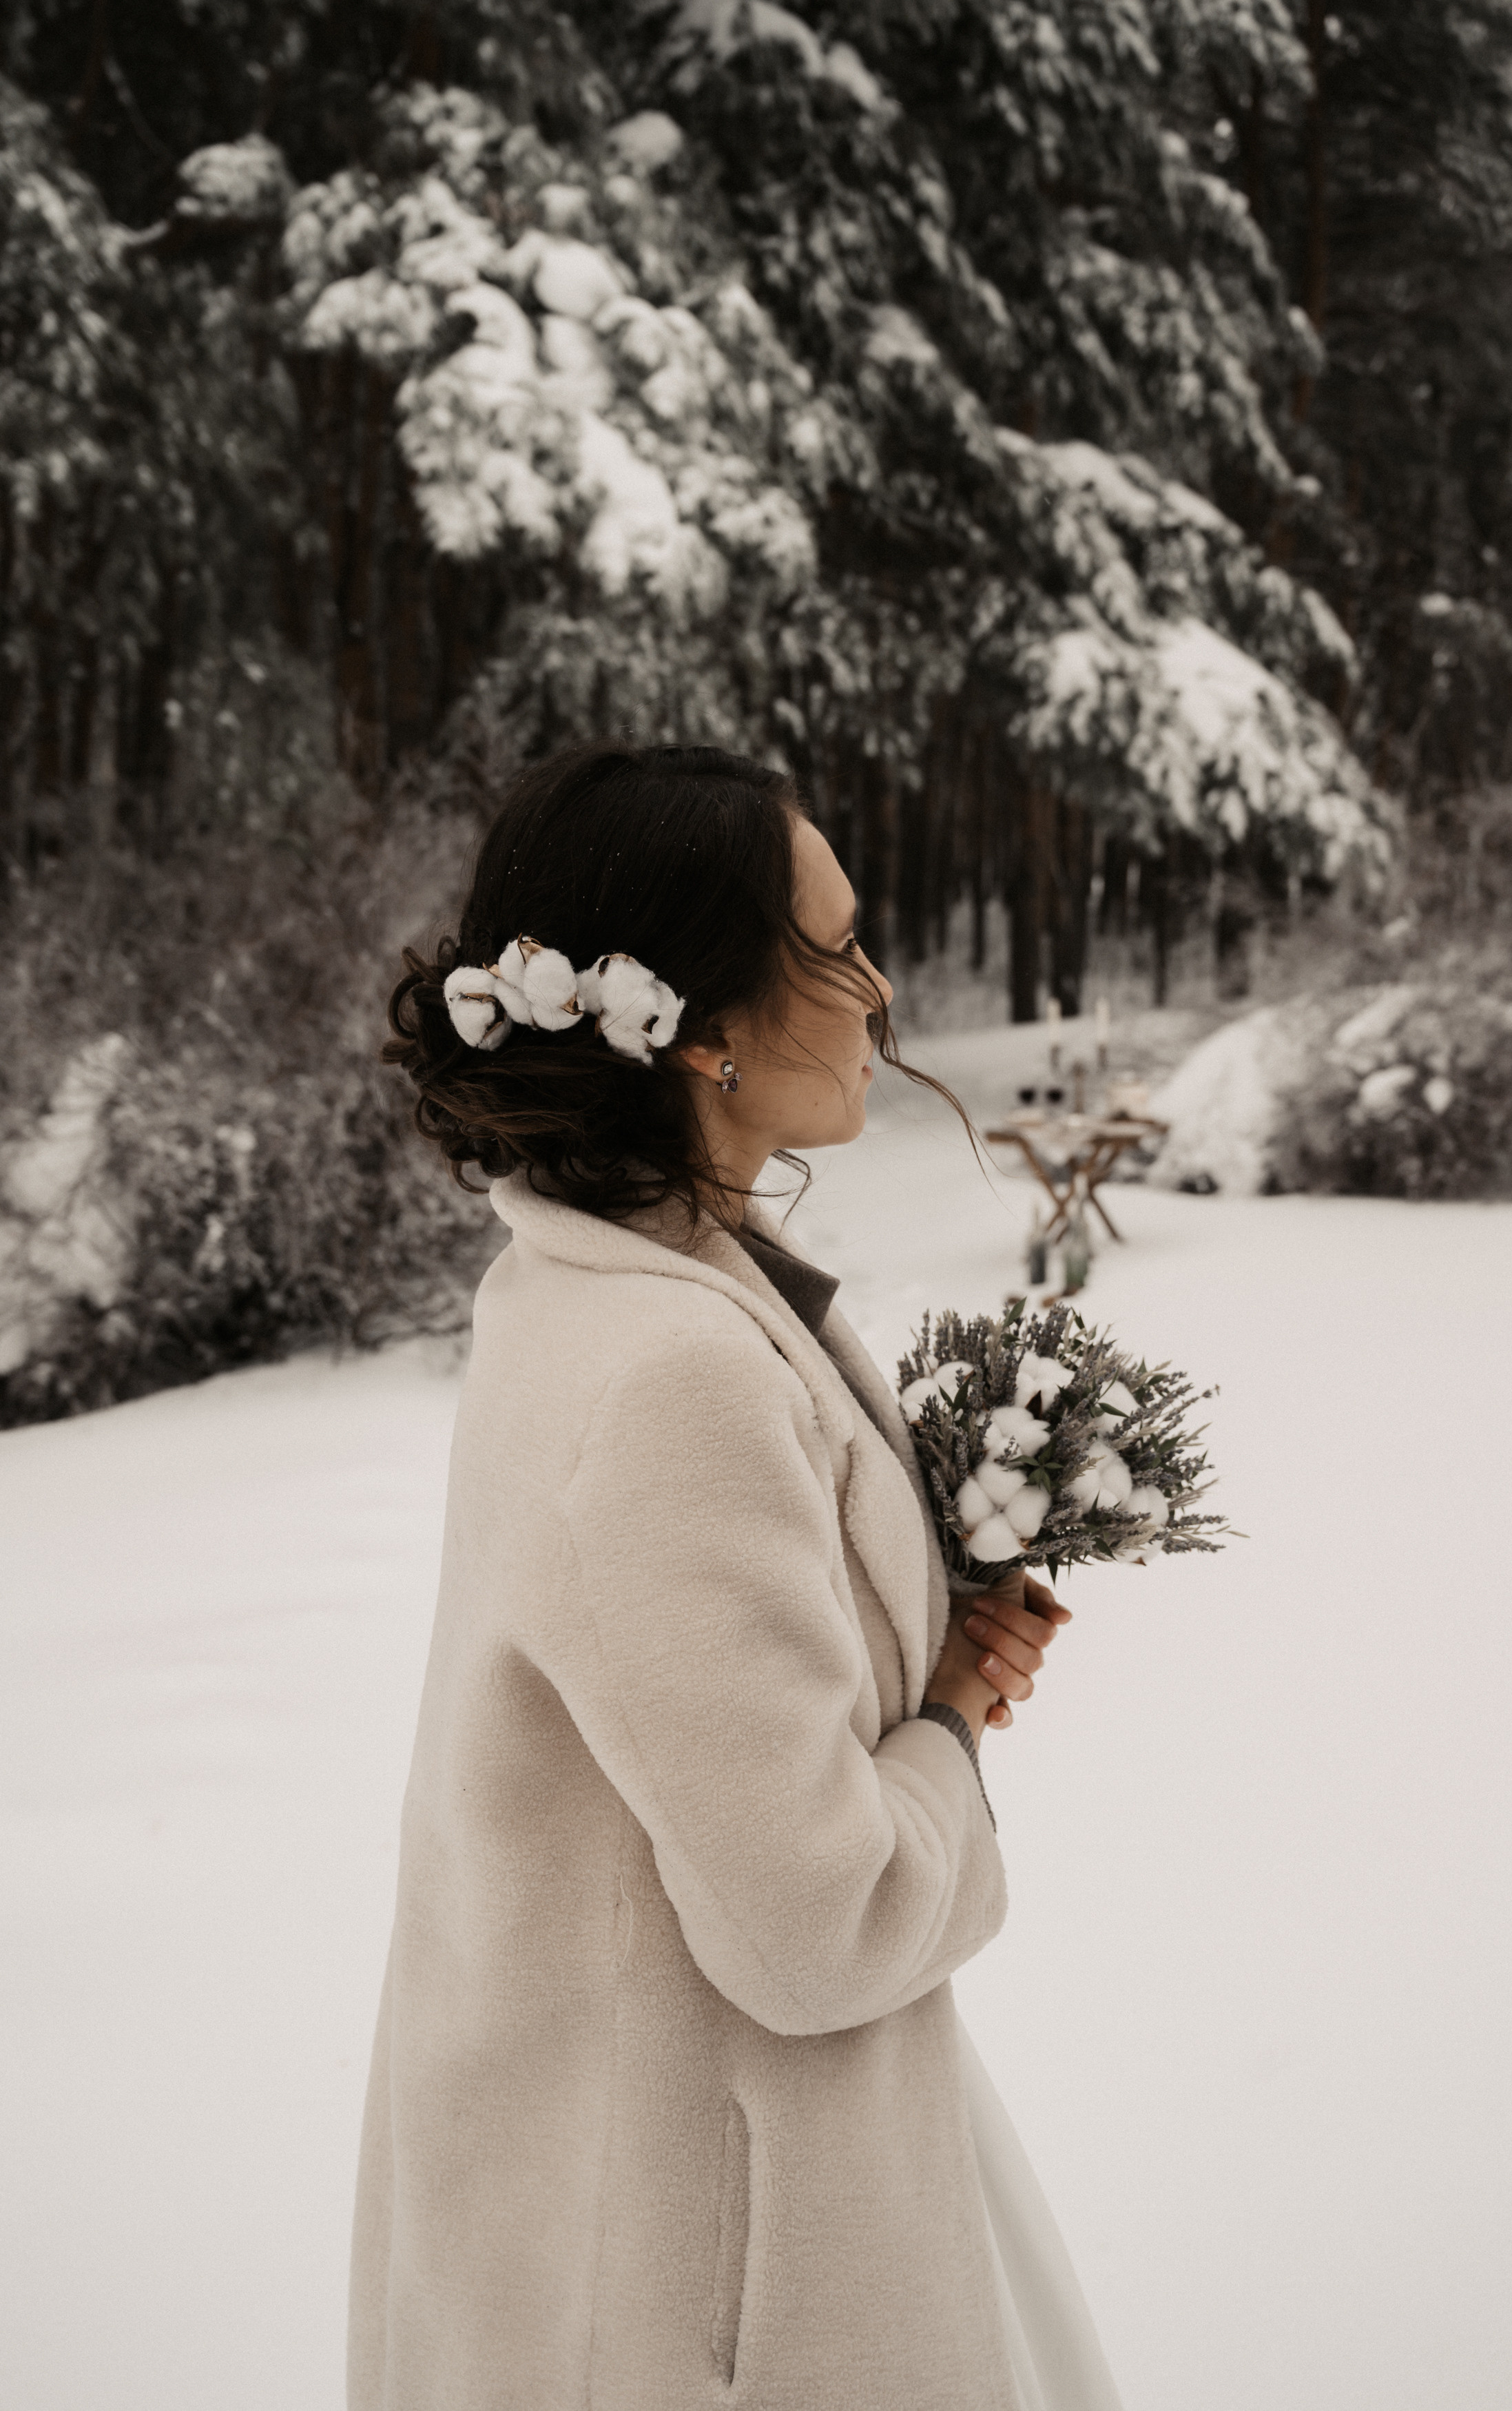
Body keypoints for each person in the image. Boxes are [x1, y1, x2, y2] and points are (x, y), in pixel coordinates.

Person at [358, 741, 1125, 2410]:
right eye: (834, 946)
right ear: (698, 1023)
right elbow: (821, 1924)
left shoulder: (609, 1278)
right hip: (700, 2287)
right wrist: (947, 1722)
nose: (880, 985)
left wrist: (931, 1647)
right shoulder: (669, 1372)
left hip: (618, 2183)